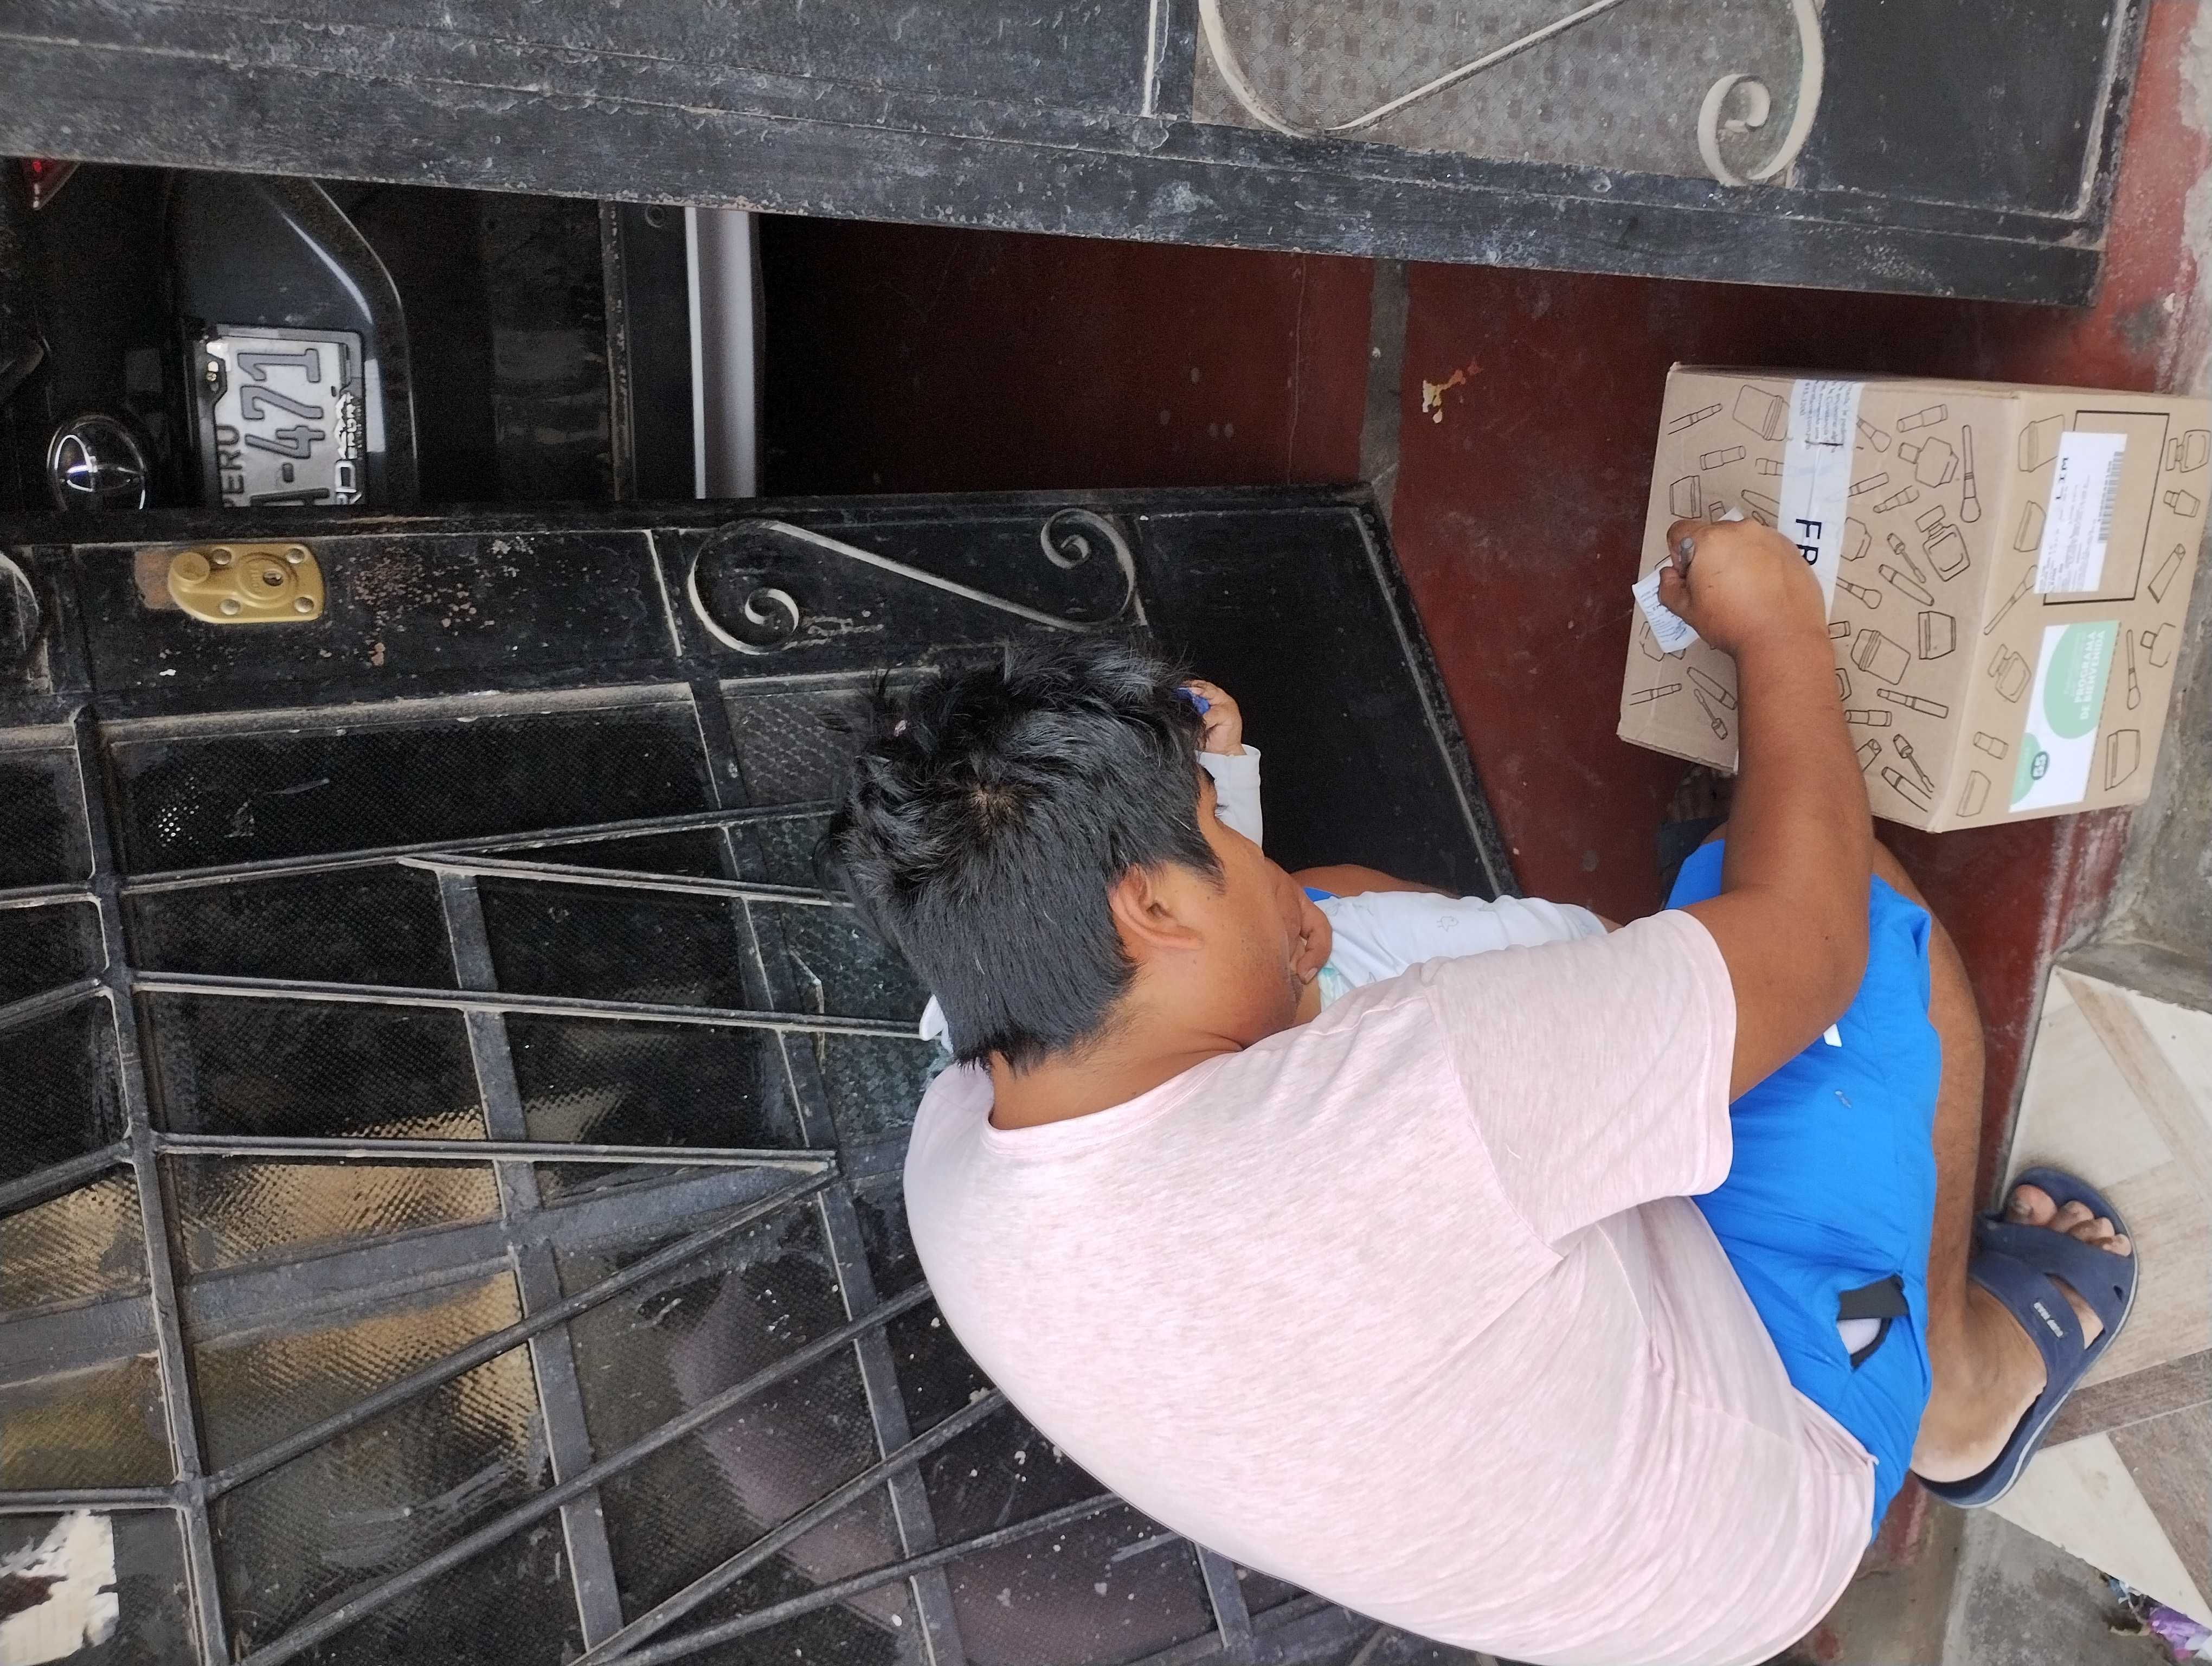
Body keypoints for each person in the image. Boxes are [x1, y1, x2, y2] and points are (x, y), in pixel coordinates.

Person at [825, 518, 2138, 1666]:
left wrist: (1211, 814)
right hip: (1773, 1478)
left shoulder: (966, 1125)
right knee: (1838, 894)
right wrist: (1778, 627)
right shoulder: (1410, 1101)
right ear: (1150, 906)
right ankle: (1955, 1394)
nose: (1245, 846)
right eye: (1212, 830)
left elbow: (1216, 969)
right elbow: (1809, 943)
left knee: (1319, 913)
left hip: (1572, 1540)